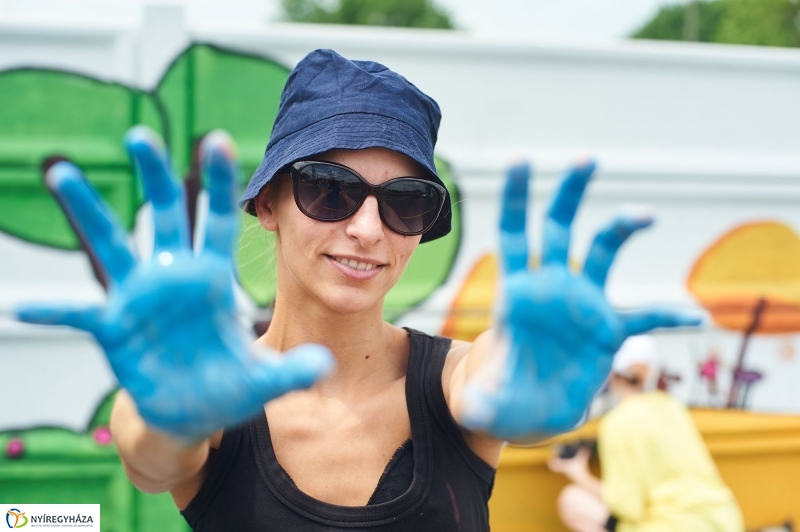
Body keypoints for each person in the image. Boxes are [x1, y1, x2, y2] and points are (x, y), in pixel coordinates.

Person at [16, 49, 699, 530]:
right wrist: (173, 418)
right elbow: (151, 452)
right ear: (267, 206)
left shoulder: (461, 383)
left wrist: (546, 403)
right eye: (329, 189)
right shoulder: (213, 390)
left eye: (405, 202)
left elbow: (509, 391)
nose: (368, 228)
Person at [548, 335, 744, 532]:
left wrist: (579, 474)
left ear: (611, 373)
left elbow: (627, 506)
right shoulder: (671, 406)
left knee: (572, 500)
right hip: (724, 519)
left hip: (674, 526)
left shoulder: (617, 423)